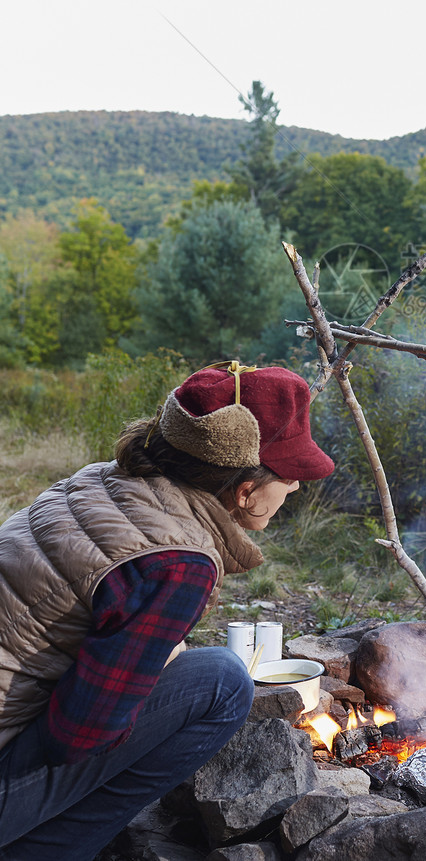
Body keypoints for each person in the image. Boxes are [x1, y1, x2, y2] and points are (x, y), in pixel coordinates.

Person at [0, 361, 334, 861]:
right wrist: (150, 664)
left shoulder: (99, 483)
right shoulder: (179, 561)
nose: (297, 488)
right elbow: (78, 737)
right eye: (290, 477)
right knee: (221, 681)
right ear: (245, 489)